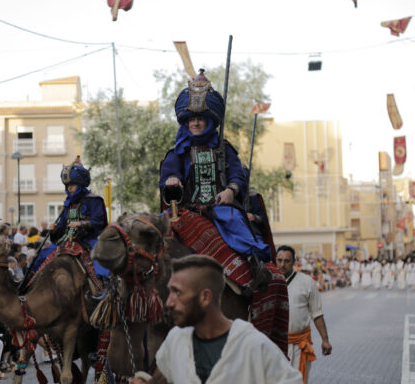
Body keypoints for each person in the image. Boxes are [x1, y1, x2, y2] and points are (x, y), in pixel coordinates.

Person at [158, 70, 271, 291]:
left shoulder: (224, 149)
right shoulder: (178, 151)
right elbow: (168, 173)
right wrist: (172, 180)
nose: (196, 123)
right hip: (186, 210)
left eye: (200, 118)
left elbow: (238, 175)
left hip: (219, 209)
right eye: (192, 119)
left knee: (238, 226)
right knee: (153, 235)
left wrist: (231, 190)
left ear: (209, 121)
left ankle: (255, 269)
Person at [130, 254, 302, 384]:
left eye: (177, 293)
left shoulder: (254, 346)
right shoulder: (176, 340)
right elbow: (163, 377)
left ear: (205, 297)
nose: (169, 302)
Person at [31, 157, 108, 285]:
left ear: (81, 185)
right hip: (67, 240)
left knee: (99, 257)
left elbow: (99, 222)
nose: (70, 188)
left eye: (72, 185)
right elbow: (62, 226)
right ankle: (31, 281)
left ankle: (103, 285)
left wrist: (80, 224)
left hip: (89, 240)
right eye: (67, 185)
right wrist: (55, 229)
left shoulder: (94, 200)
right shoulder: (68, 203)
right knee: (43, 253)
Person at [276, 246, 331, 384]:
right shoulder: (269, 282)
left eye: (287, 261)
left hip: (299, 345)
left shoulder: (307, 282)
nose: (282, 264)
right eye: (280, 260)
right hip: (276, 345)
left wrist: (325, 339)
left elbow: (317, 313)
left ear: (294, 261)